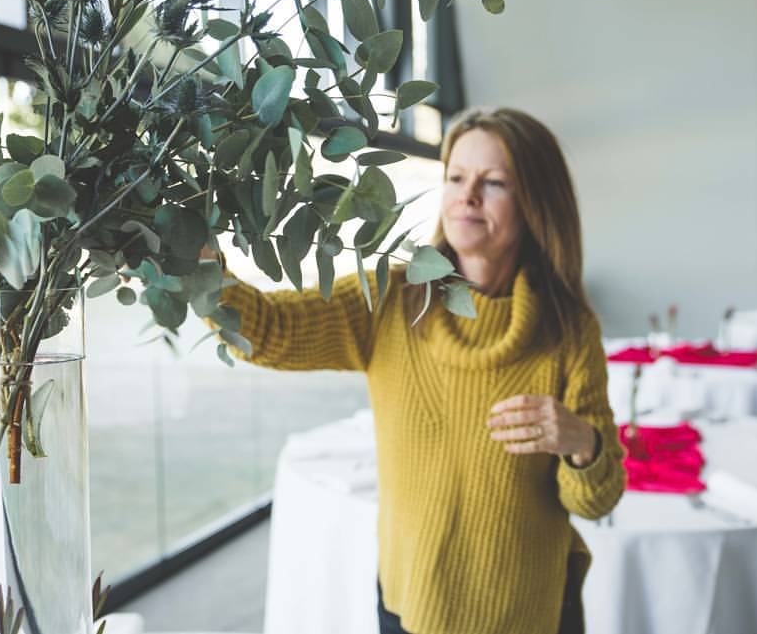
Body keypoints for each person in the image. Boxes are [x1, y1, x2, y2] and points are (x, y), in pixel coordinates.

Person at [209, 107, 625, 634]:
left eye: (494, 182)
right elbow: (267, 330)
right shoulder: (391, 298)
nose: (467, 196)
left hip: (531, 613)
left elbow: (596, 500)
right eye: (456, 177)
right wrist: (197, 262)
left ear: (536, 203)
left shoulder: (567, 328)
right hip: (413, 604)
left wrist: (581, 442)